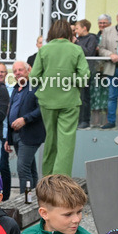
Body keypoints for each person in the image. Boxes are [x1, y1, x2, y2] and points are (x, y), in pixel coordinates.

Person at [30, 19, 89, 176]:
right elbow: (84, 78)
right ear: (69, 32)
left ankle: (48, 176)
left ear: (52, 32)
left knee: (50, 139)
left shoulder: (44, 50)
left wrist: (49, 81)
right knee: (66, 142)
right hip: (69, 101)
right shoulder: (76, 50)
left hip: (47, 101)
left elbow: (34, 78)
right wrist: (69, 78)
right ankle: (60, 179)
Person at [7, 60, 44, 203]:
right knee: (30, 169)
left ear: (28, 70)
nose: (17, 73)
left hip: (30, 134)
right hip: (16, 135)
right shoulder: (16, 89)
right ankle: (34, 200)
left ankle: (26, 201)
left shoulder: (35, 87)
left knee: (23, 169)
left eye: (20, 70)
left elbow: (41, 109)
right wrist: (8, 139)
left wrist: (25, 119)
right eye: (15, 71)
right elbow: (10, 113)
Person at [0, 61, 13, 199]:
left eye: (2, 72)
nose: (0, 74)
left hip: (5, 132)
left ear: (6, 74)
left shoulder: (10, 90)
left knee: (3, 165)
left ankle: (5, 196)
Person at [73, 20, 98, 129]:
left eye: (77, 28)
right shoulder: (77, 39)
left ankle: (85, 120)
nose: (75, 31)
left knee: (84, 97)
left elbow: (89, 52)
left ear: (84, 28)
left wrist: (76, 43)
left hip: (86, 71)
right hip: (76, 71)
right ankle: (76, 119)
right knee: (76, 96)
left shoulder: (91, 38)